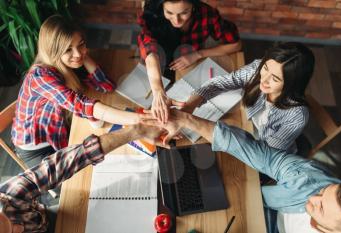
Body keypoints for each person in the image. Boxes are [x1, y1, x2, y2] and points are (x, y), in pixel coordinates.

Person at [142, 109, 341, 233]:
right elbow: (261, 154)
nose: (313, 197)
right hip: (261, 207)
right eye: (324, 192)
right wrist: (188, 120)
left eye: (321, 207)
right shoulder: (310, 180)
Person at [11, 15, 143, 168]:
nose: (78, 54)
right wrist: (138, 119)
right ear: (53, 51)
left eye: (81, 44)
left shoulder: (68, 62)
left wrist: (83, 56)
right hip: (37, 148)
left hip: (60, 129)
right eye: (68, 49)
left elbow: (107, 86)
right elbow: (80, 104)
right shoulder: (40, 76)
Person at [0, 123, 165, 233]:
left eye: (9, 221)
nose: (19, 229)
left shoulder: (9, 196)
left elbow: (60, 165)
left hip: (49, 219)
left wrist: (134, 131)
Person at [183, 42, 315, 153]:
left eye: (275, 78)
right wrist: (190, 105)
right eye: (266, 68)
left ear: (293, 83)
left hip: (267, 154)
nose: (264, 79)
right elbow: (223, 82)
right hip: (249, 130)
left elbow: (266, 154)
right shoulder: (258, 69)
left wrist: (194, 123)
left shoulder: (297, 116)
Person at [137, 0, 241, 123]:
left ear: (193, 6)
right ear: (161, 7)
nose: (177, 20)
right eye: (169, 12)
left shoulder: (206, 13)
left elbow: (236, 45)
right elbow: (150, 52)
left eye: (184, 12)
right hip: (159, 63)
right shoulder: (151, 16)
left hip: (191, 60)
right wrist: (158, 92)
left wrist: (198, 54)